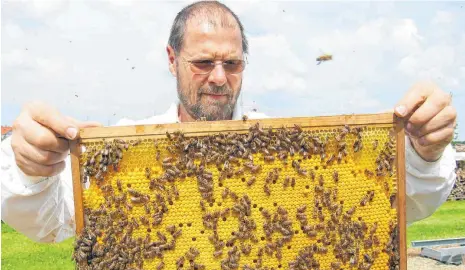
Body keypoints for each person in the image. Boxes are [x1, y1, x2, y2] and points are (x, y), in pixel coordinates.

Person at [1, 1, 457, 243]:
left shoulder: (289, 150)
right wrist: (30, 168)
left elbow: (398, 204)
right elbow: (48, 221)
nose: (219, 79)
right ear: (172, 59)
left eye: (232, 64)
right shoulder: (126, 158)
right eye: (203, 62)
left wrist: (424, 153)